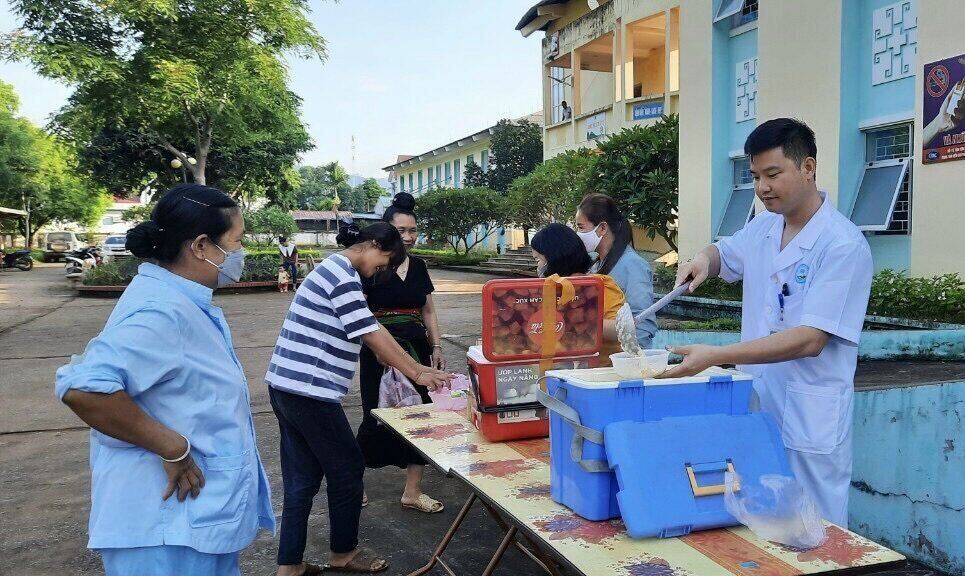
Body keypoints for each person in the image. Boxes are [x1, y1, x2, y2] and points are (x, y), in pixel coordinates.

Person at [54, 184, 274, 576]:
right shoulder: (161, 312)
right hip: (164, 530)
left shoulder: (181, 301)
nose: (240, 254)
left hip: (191, 520)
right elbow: (84, 388)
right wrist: (170, 445)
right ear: (202, 246)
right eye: (236, 243)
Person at [666, 118, 873, 527]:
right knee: (758, 526)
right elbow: (724, 252)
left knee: (815, 531)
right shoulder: (764, 225)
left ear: (808, 168)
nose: (762, 187)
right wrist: (702, 261)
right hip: (759, 407)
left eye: (773, 174)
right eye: (756, 176)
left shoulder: (843, 245)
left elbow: (810, 339)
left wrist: (717, 356)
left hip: (809, 415)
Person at [265, 221, 451, 576]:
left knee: (302, 478)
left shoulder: (333, 270)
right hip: (310, 390)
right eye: (384, 259)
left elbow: (372, 328)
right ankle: (343, 554)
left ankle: (289, 565)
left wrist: (411, 364)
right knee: (348, 470)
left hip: (286, 385)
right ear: (370, 245)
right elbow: (369, 332)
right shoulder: (342, 274)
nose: (383, 268)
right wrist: (417, 372)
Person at [356, 193, 446, 514]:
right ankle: (354, 485)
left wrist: (436, 346)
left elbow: (429, 311)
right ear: (387, 230)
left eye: (413, 230)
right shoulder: (370, 266)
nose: (408, 237)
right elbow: (360, 316)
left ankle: (412, 491)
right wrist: (377, 350)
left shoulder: (419, 266)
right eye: (401, 230)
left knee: (422, 417)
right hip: (378, 351)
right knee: (375, 418)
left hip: (417, 349)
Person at [531, 223, 626, 365]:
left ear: (553, 257)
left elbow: (619, 330)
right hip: (559, 373)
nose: (537, 267)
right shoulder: (547, 292)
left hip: (600, 373)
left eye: (537, 260)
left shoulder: (600, 286)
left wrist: (574, 320)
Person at [575, 193, 656, 349]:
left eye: (580, 227)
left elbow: (642, 323)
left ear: (602, 228)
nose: (578, 234)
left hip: (624, 362)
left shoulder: (633, 265)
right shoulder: (595, 266)